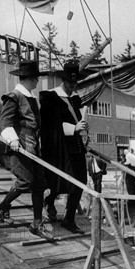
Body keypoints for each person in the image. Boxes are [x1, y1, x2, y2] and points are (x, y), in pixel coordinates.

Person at [0, 59, 54, 241]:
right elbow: (4, 121)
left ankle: (36, 224)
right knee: (26, 180)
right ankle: (3, 206)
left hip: (33, 143)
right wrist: (12, 139)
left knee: (39, 183)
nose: (37, 81)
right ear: (29, 78)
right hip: (19, 143)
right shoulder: (14, 96)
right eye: (36, 78)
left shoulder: (31, 97)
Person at [40, 60, 88, 235]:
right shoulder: (50, 97)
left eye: (74, 83)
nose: (72, 86)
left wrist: (82, 128)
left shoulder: (75, 99)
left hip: (75, 146)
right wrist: (73, 128)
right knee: (58, 181)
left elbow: (77, 120)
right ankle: (49, 201)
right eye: (69, 83)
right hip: (58, 147)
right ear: (63, 81)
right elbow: (48, 126)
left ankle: (69, 218)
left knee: (81, 180)